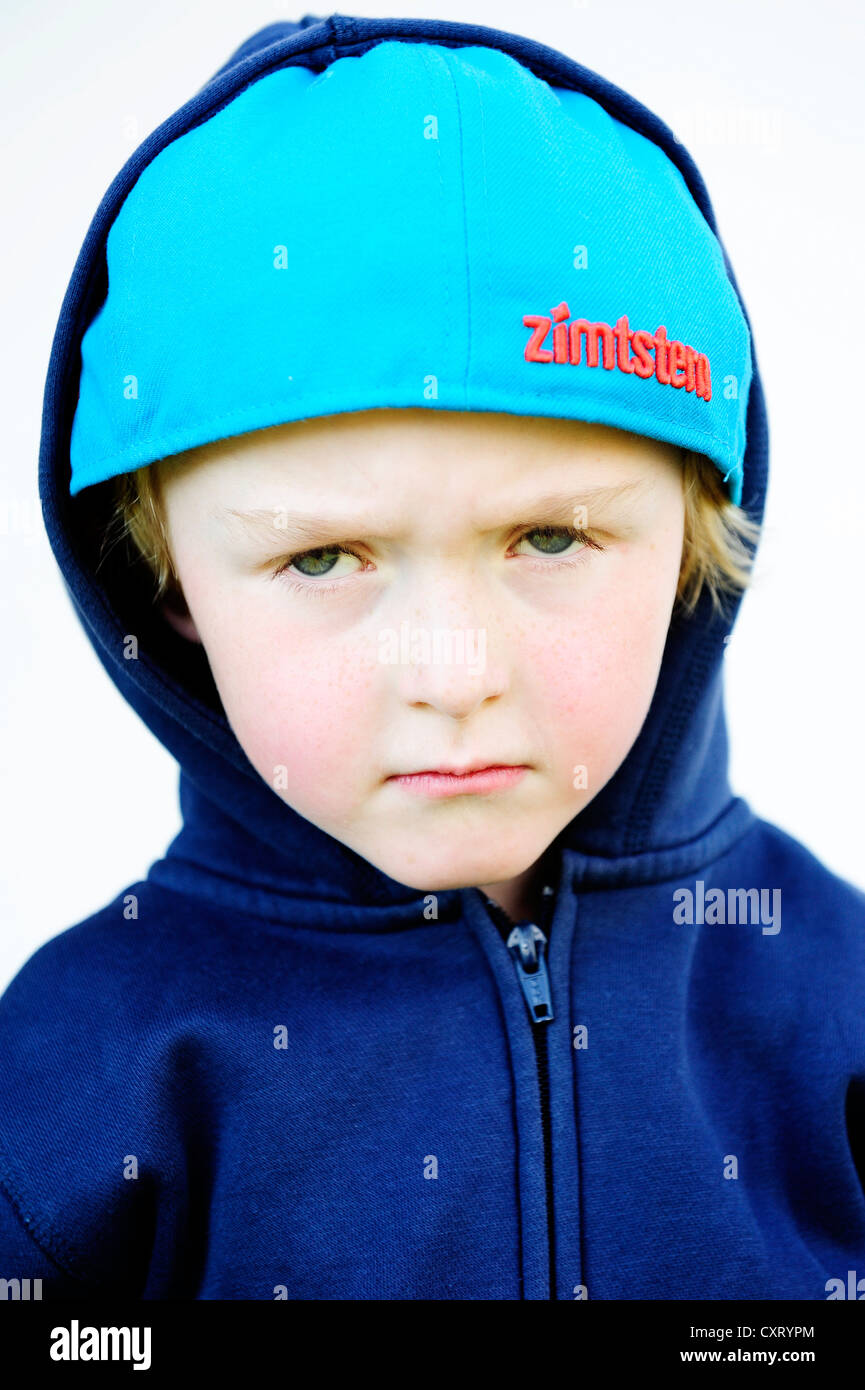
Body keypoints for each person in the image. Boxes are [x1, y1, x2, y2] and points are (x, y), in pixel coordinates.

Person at [1, 13, 863, 1301]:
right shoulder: (76, 1072)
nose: (454, 673)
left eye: (552, 537)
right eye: (322, 559)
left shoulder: (834, 1001)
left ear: (695, 539)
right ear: (166, 584)